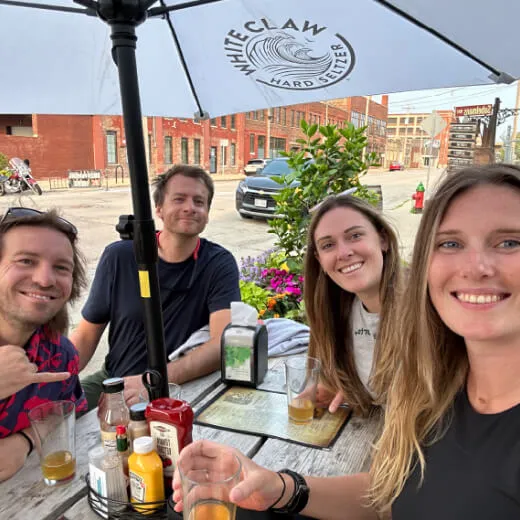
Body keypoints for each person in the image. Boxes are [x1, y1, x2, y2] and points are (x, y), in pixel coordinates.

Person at [173, 164, 520, 519]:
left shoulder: (434, 349)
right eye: (451, 244)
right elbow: (390, 493)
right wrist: (279, 488)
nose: (477, 267)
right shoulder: (432, 390)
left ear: (383, 239)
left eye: (509, 242)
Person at [72, 165, 241, 410]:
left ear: (207, 211)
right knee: (51, 414)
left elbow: (222, 343)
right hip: (115, 379)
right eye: (179, 199)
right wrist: (51, 383)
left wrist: (151, 381)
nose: (190, 207)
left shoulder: (218, 263)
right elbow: (86, 335)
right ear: (159, 208)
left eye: (199, 201)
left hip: (179, 384)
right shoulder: (119, 257)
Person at [0, 208, 87, 482]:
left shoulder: (60, 355)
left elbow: (66, 410)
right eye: (26, 261)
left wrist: (25, 440)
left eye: (61, 267)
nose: (45, 279)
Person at [305, 195, 402, 416]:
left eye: (355, 235)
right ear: (319, 259)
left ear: (383, 239)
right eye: (328, 245)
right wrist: (351, 392)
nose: (344, 253)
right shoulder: (339, 313)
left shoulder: (426, 309)